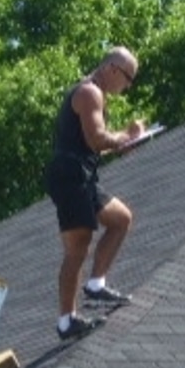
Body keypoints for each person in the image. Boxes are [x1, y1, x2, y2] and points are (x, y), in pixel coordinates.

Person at [44, 46, 147, 339]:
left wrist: (123, 143)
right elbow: (98, 139)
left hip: (83, 174)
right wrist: (126, 136)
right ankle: (66, 320)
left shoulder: (94, 92)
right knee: (78, 247)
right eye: (128, 79)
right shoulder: (90, 92)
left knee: (120, 219)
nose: (126, 87)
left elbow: (94, 143)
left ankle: (96, 285)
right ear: (113, 69)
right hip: (70, 176)